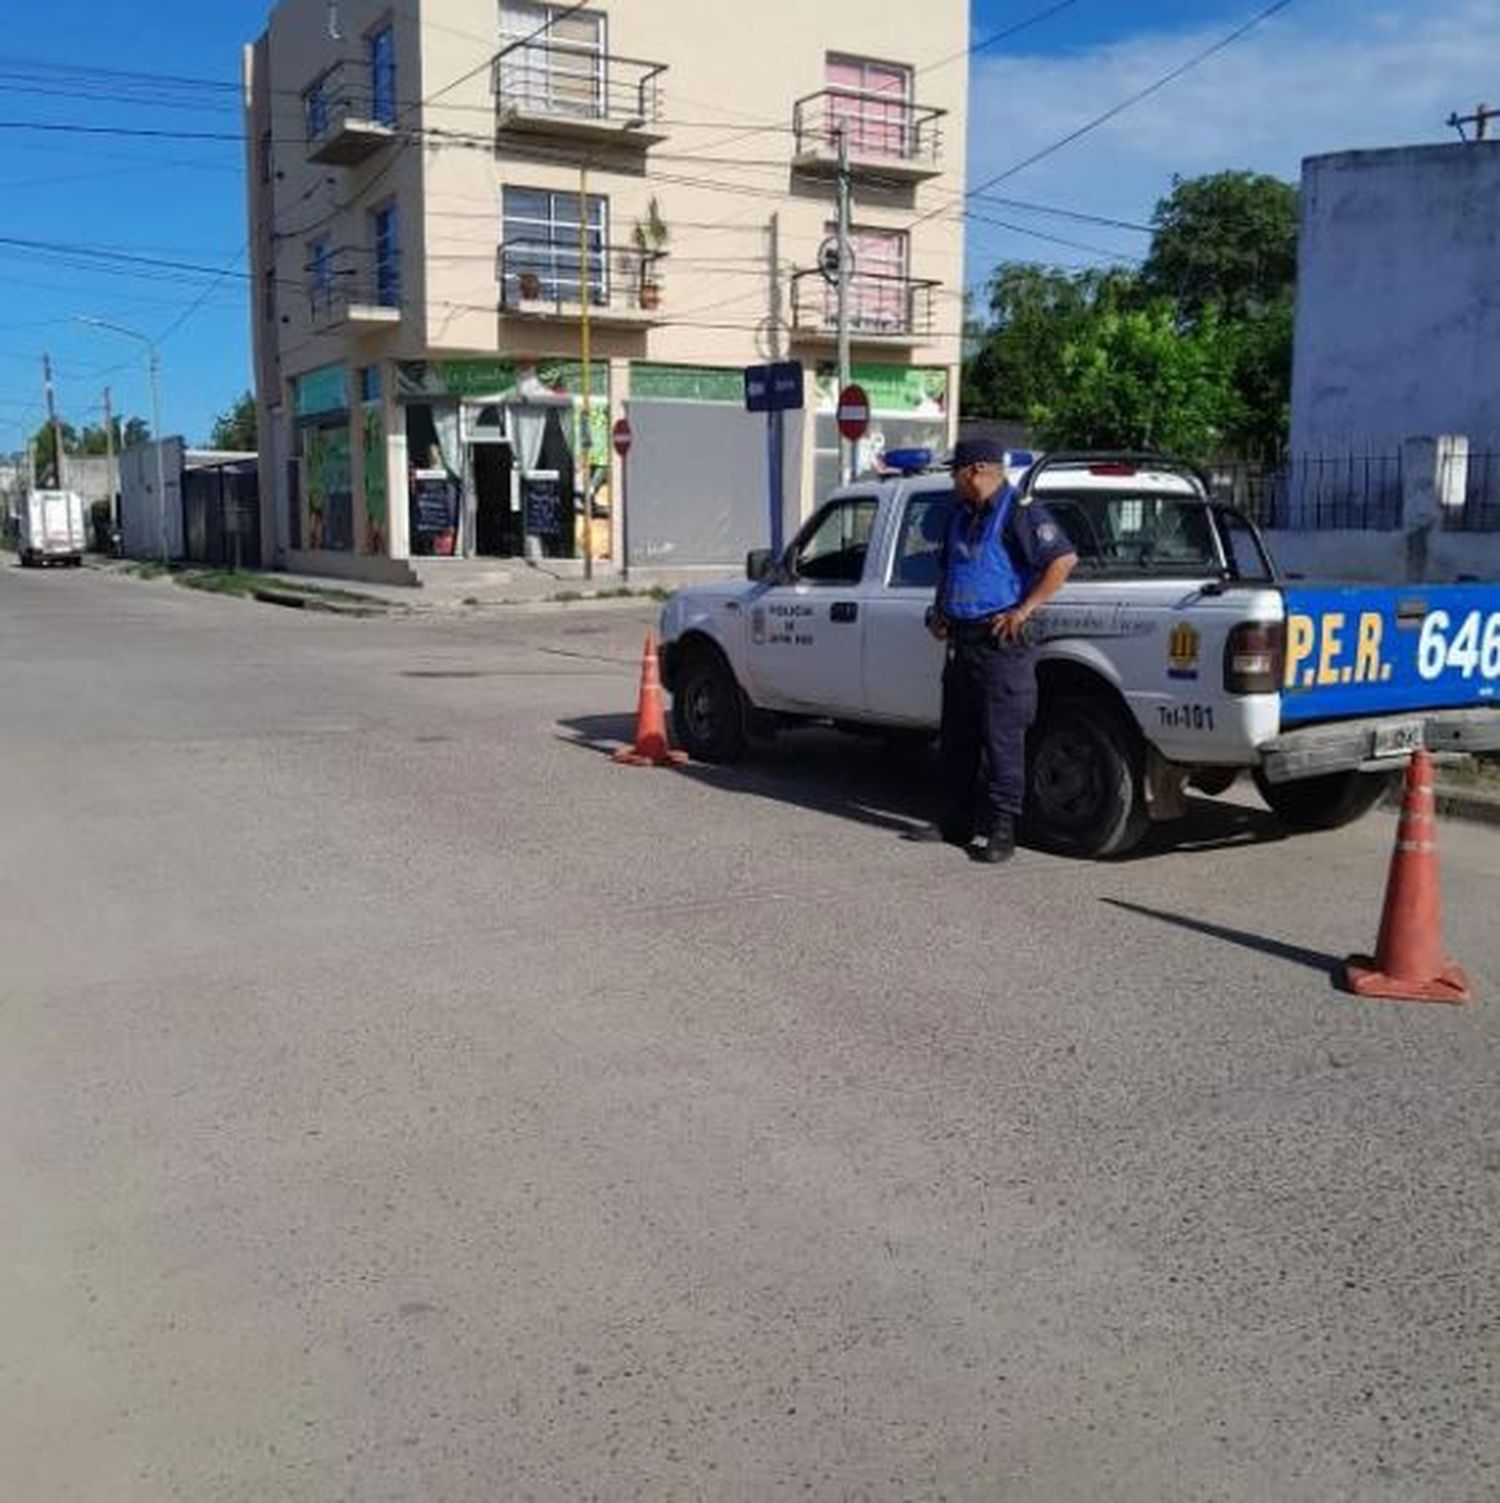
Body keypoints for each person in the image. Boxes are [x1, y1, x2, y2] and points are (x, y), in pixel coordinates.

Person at [909, 438, 1078, 863]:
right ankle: (956, 823)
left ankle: (1002, 830)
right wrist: (939, 610)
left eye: (955, 472)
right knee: (957, 737)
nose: (952, 480)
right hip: (961, 640)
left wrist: (1024, 610)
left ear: (976, 470)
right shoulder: (960, 515)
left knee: (1002, 740)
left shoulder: (1019, 511)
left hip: (1000, 644)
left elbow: (1063, 560)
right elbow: (950, 568)